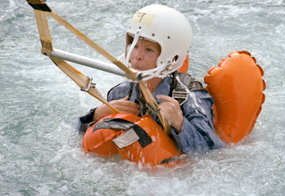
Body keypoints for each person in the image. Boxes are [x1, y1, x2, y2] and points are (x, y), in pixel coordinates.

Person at [77, 4, 226, 154]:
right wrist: (96, 114)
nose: (137, 56)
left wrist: (180, 123)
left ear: (170, 57)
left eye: (149, 49)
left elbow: (212, 152)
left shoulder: (190, 97)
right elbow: (81, 136)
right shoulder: (121, 93)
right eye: (135, 46)